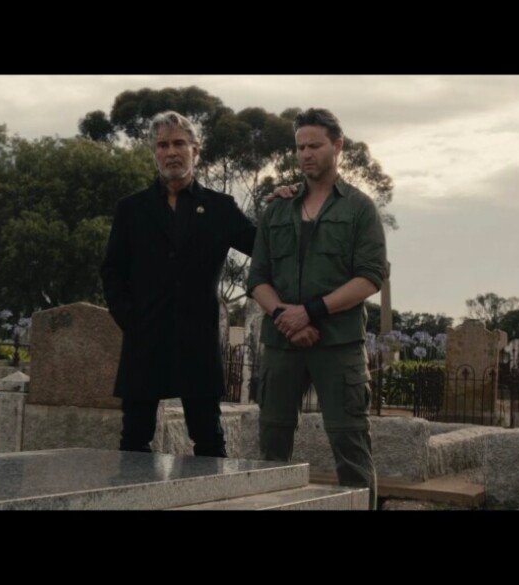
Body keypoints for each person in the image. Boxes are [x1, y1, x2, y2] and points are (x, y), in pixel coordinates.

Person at [246, 108, 387, 508]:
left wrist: (310, 312)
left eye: (315, 145)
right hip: (281, 343)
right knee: (271, 446)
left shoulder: (359, 209)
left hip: (338, 345)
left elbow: (370, 277)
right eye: (299, 147)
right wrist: (284, 318)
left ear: (337, 146)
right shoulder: (278, 208)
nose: (306, 154)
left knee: (351, 445)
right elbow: (257, 279)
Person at [100, 111, 257, 457]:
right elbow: (112, 270)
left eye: (179, 143)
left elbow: (262, 247)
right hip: (144, 339)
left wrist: (284, 207)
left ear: (195, 151)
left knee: (209, 440)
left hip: (197, 341)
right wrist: (130, 318)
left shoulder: (220, 207)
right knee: (134, 440)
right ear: (155, 152)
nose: (171, 152)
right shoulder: (132, 209)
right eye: (163, 145)